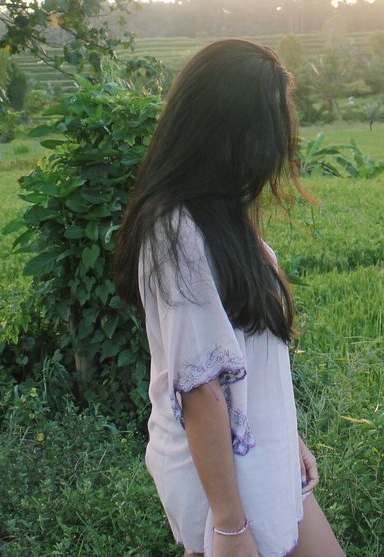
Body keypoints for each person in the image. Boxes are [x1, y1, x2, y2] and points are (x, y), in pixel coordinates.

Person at [113, 39, 344, 557]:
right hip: (222, 482)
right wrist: (230, 526)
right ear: (232, 132)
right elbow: (199, 388)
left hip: (263, 456)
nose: (279, 145)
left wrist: (291, 439)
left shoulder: (222, 212)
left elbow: (251, 352)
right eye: (272, 126)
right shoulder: (175, 233)